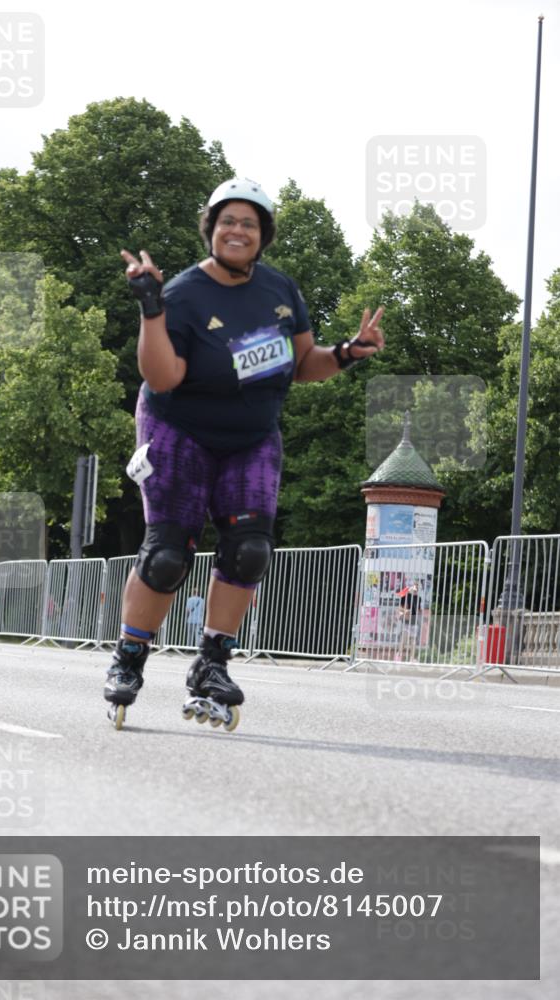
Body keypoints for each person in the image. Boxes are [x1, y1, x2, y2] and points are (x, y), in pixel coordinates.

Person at [104, 177, 385, 730]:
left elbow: (305, 364)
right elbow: (163, 375)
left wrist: (349, 353)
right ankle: (130, 657)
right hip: (177, 430)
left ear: (263, 236)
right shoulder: (183, 293)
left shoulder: (280, 291)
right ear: (211, 228)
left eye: (249, 223)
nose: (238, 230)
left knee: (250, 550)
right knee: (167, 557)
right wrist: (151, 309)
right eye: (228, 220)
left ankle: (212, 664)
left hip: (252, 437)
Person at [397, 582, 420, 660]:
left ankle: (412, 658)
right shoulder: (406, 596)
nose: (416, 589)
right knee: (403, 639)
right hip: (406, 622)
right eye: (415, 587)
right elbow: (400, 608)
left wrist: (419, 611)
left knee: (413, 642)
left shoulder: (418, 598)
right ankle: (398, 656)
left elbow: (418, 610)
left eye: (418, 587)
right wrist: (406, 611)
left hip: (414, 622)